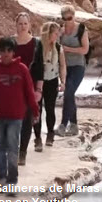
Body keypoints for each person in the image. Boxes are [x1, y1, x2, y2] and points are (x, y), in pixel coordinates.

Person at [0, 37, 40, 193]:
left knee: (12, 149)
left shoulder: (22, 69)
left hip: (16, 117)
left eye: (9, 50)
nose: (5, 53)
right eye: (2, 50)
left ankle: (12, 183)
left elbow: (29, 92)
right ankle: (2, 180)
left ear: (13, 51)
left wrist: (35, 111)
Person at [30, 22, 66, 151]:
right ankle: (37, 137)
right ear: (48, 33)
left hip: (52, 80)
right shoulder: (37, 46)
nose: (57, 36)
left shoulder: (58, 47)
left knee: (50, 108)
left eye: (58, 33)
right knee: (37, 110)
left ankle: (50, 134)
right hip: (39, 80)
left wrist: (63, 81)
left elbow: (62, 65)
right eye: (55, 33)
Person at [12, 13, 41, 165]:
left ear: (29, 25)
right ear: (15, 25)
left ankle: (22, 152)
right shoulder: (11, 42)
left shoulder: (36, 43)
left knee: (27, 119)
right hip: (13, 84)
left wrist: (39, 89)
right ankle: (14, 149)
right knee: (14, 118)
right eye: (20, 23)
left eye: (25, 24)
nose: (22, 27)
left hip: (31, 84)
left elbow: (40, 66)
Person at [57, 6, 89, 137]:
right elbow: (55, 45)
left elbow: (85, 50)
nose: (67, 21)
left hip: (78, 66)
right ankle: (74, 125)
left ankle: (63, 125)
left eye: (69, 18)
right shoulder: (61, 29)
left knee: (69, 92)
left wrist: (68, 49)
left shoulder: (81, 29)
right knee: (69, 94)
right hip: (64, 66)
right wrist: (59, 34)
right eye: (64, 19)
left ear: (74, 16)